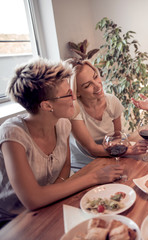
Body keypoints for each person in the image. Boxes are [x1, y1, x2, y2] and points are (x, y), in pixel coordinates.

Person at [0, 58, 124, 227]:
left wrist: (55, 196)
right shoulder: (13, 133)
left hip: (50, 206)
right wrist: (95, 177)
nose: (74, 97)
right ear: (46, 105)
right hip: (14, 221)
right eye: (68, 93)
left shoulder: (63, 123)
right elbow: (33, 199)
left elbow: (65, 169)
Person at [67, 59, 148, 170]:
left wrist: (126, 149)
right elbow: (92, 149)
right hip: (85, 166)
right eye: (87, 85)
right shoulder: (74, 111)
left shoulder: (112, 101)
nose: (97, 85)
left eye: (95, 76)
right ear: (76, 92)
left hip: (109, 157)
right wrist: (130, 150)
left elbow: (117, 138)